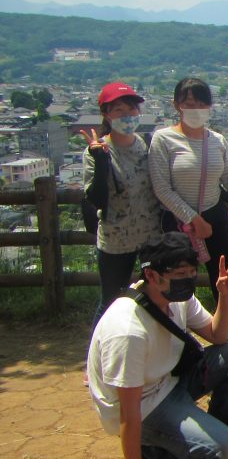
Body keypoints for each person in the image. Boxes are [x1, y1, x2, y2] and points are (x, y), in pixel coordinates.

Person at [87, 232, 228, 459]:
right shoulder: (128, 330)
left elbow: (218, 336)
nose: (188, 279)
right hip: (144, 406)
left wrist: (226, 297)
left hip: (169, 381)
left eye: (192, 272)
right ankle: (153, 452)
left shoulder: (177, 297)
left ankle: (216, 429)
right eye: (180, 273)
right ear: (152, 275)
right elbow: (128, 411)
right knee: (222, 450)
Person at [149, 77, 228, 339]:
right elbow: (162, 188)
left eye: (202, 103)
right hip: (177, 222)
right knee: (174, 280)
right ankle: (171, 338)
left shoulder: (217, 140)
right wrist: (192, 218)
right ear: (176, 104)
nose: (196, 109)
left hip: (215, 219)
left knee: (224, 282)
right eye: (189, 103)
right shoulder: (163, 139)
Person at [81, 82, 162, 323]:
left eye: (131, 109)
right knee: (111, 301)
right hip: (116, 239)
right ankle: (101, 352)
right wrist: (100, 160)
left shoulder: (148, 144)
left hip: (151, 236)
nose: (127, 116)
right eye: (118, 110)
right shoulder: (97, 151)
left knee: (154, 295)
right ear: (106, 114)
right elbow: (94, 197)